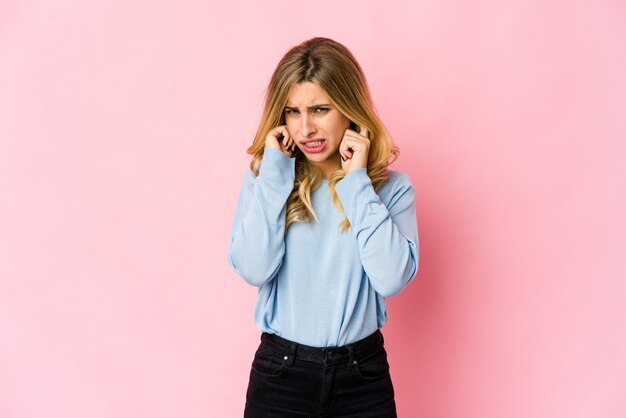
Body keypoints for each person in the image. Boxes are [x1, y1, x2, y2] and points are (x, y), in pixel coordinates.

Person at [226, 36, 419, 418]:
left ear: (349, 108)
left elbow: (392, 277)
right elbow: (252, 268)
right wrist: (275, 176)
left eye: (319, 109)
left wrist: (358, 181)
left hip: (361, 376)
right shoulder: (266, 181)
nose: (306, 128)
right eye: (292, 112)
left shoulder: (390, 190)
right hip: (281, 375)